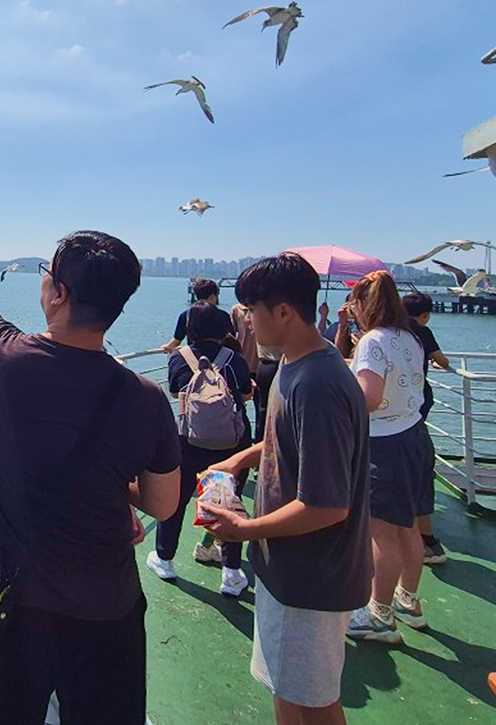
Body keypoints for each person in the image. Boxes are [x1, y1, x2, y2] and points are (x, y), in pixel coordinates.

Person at [0, 222, 180, 725]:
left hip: (16, 611)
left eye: (47, 273)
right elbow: (163, 504)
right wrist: (113, 486)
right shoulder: (146, 399)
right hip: (108, 612)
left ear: (58, 293)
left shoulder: (4, 359)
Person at [201, 253, 370, 725]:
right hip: (287, 571)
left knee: (312, 705)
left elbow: (327, 506)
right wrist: (243, 457)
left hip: (311, 579)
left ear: (283, 312)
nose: (248, 325)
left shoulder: (318, 384)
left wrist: (245, 529)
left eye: (253, 312)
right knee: (286, 691)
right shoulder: (297, 366)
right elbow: (285, 442)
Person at [337, 271, 433, 644]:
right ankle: (407, 599)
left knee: (381, 532)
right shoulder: (409, 337)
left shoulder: (373, 342)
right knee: (408, 524)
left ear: (365, 304)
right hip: (413, 435)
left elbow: (370, 399)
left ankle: (379, 614)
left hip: (384, 444)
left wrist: (346, 393)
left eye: (355, 303)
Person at [145, 302, 253, 597]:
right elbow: (245, 391)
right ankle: (231, 573)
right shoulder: (233, 358)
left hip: (189, 441)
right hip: (230, 444)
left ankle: (165, 559)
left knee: (175, 501)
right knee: (226, 502)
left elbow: (174, 389)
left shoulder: (180, 357)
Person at [401, 291, 452, 566]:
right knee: (419, 469)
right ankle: (426, 541)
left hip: (396, 408)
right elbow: (441, 360)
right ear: (425, 314)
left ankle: (423, 540)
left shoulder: (391, 332)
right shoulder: (422, 331)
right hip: (417, 403)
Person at [160, 278, 234, 353]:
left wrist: (167, 347)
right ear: (212, 296)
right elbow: (230, 338)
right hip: (218, 358)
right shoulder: (223, 315)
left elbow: (177, 340)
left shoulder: (186, 315)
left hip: (194, 358)